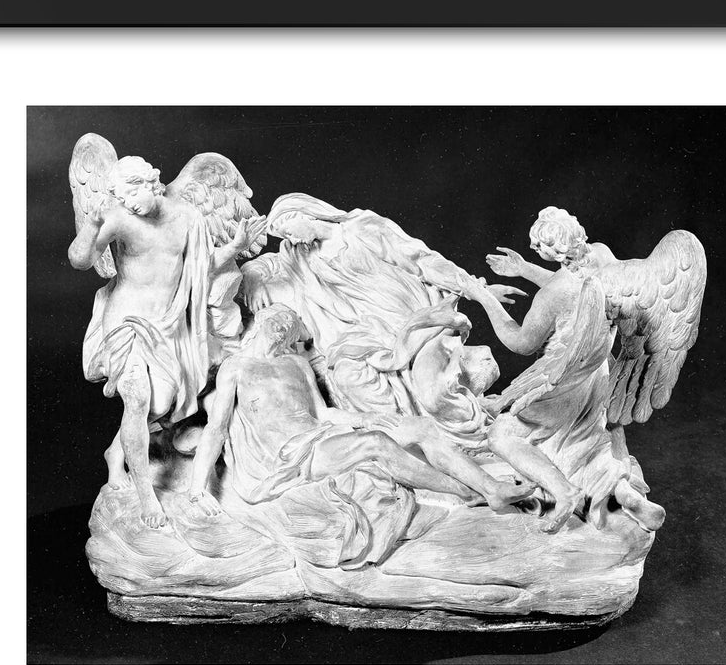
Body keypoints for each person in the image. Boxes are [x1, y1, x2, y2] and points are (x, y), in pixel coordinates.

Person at [183, 305, 531, 518]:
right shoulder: (237, 367)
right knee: (375, 443)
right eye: (277, 319)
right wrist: (197, 489)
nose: (282, 326)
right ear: (261, 322)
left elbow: (323, 414)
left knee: (420, 428)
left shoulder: (296, 364)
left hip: (320, 434)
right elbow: (216, 428)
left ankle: (489, 486)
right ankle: (468, 492)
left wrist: (365, 418)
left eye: (288, 323)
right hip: (288, 457)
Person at [239, 193, 526, 449]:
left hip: (416, 319)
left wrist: (476, 289)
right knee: (345, 373)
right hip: (371, 330)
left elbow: (423, 261)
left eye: (288, 230)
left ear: (306, 214)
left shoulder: (362, 228)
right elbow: (266, 265)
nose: (289, 239)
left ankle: (467, 441)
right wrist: (252, 277)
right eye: (283, 236)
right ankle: (403, 436)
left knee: (433, 394)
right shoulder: (300, 254)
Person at [69, 155, 255, 527]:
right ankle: (147, 497)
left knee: (161, 404)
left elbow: (200, 268)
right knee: (137, 398)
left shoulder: (187, 217)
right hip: (126, 321)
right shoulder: (119, 217)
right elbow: (80, 259)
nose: (128, 204)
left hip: (167, 323)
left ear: (150, 184)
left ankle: (115, 453)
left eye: (132, 194)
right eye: (121, 198)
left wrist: (235, 246)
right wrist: (92, 225)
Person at [462, 208, 665, 531]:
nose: (535, 250)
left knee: (502, 436)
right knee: (580, 440)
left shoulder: (552, 295)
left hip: (562, 379)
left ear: (551, 251)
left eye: (538, 247)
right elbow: (582, 288)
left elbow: (521, 342)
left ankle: (564, 492)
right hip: (599, 372)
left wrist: (485, 298)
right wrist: (523, 269)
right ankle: (624, 492)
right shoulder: (601, 255)